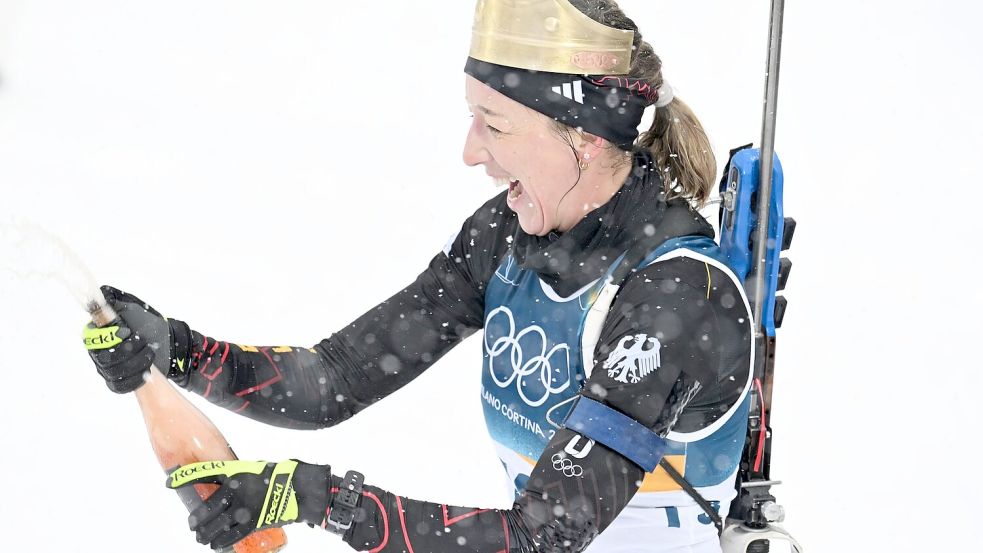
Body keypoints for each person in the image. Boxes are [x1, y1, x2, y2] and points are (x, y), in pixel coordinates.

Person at [84, 1, 753, 552]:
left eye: (493, 124)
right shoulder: (504, 237)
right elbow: (333, 379)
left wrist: (323, 499)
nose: (470, 152)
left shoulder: (678, 298)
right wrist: (178, 349)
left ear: (583, 136)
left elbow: (540, 538)